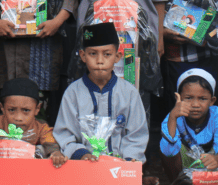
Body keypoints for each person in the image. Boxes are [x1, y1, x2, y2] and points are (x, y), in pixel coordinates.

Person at [55, 23, 149, 162]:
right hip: (83, 166)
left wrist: (130, 159)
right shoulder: (73, 93)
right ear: (83, 55)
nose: (100, 61)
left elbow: (137, 135)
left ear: (117, 57)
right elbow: (65, 134)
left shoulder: (129, 93)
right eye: (93, 54)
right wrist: (81, 154)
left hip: (120, 169)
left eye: (107, 54)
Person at [159, 69, 218, 184]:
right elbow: (168, 150)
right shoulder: (174, 116)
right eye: (189, 98)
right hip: (183, 168)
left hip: (211, 165)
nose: (195, 105)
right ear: (178, 98)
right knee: (167, 145)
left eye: (202, 99)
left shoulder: (217, 116)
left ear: (212, 101)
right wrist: (173, 117)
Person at [0, 77, 66, 165]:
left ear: (37, 108)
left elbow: (50, 144)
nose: (18, 118)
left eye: (26, 110)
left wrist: (55, 154)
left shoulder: (41, 126)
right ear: (2, 108)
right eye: (11, 110)